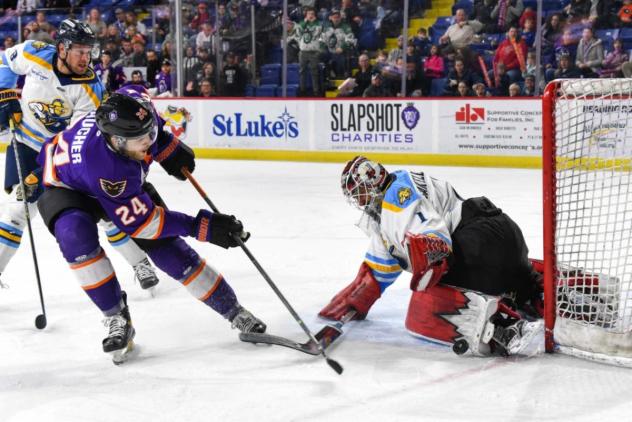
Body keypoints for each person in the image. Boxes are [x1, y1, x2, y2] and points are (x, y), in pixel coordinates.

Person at [33, 86, 266, 363]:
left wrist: (166, 146)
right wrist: (202, 226)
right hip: (66, 186)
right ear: (117, 141)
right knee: (75, 235)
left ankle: (233, 310)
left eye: (150, 133)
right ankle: (115, 316)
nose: (147, 142)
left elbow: (143, 107)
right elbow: (146, 225)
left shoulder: (136, 106)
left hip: (103, 176)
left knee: (169, 252)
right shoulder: (109, 169)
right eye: (139, 140)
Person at [319, 157, 544, 357]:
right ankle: (540, 291)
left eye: (359, 192)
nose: (359, 201)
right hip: (505, 236)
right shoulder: (398, 192)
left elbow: (433, 240)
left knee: (424, 305)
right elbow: (377, 271)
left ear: (373, 181)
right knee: (518, 282)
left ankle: (503, 328)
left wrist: (428, 264)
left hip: (478, 246)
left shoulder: (397, 197)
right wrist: (353, 300)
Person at [0, 19, 160, 291]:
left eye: (90, 52)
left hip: (67, 156)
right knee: (18, 209)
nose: (87, 58)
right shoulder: (35, 52)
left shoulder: (91, 89)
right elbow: (5, 60)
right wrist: (4, 94)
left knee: (106, 208)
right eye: (80, 51)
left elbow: (75, 140)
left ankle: (139, 261)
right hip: (27, 143)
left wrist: (42, 175)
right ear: (61, 48)